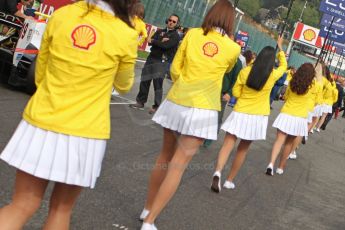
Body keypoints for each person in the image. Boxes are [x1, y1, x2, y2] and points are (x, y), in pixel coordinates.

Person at [0, 0, 138, 229]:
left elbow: (40, 74)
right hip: (86, 130)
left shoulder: (63, 15)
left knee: (22, 204)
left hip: (42, 120)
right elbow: (124, 85)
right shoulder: (125, 33)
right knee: (60, 210)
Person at [139, 1, 241, 229]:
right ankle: (149, 221)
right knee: (178, 166)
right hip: (204, 108)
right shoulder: (233, 48)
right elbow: (224, 70)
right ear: (230, 21)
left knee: (164, 156)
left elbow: (175, 69)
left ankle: (146, 208)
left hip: (178, 99)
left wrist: (185, 83)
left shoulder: (193, 34)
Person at [211, 36, 287, 192]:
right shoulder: (272, 75)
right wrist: (280, 48)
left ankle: (218, 172)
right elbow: (284, 65)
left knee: (227, 145)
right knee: (242, 150)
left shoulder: (245, 72)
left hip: (240, 112)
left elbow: (236, 92)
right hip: (257, 116)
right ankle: (229, 180)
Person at [266, 63, 316, 175]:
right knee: (288, 144)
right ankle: (281, 167)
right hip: (299, 118)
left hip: (286, 114)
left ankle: (271, 164)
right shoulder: (311, 86)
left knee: (279, 141)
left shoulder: (292, 82)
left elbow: (286, 97)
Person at [130, 14, 180, 114]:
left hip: (162, 61)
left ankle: (156, 106)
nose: (171, 22)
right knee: (145, 80)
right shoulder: (159, 31)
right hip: (151, 58)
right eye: (170, 20)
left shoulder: (175, 36)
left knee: (157, 84)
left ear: (177, 24)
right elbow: (149, 42)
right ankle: (140, 102)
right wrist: (159, 41)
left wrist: (156, 41)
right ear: (167, 20)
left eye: (174, 21)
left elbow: (166, 46)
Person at [314, 66, 338, 132]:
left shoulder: (327, 85)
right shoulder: (335, 90)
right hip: (329, 104)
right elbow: (335, 99)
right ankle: (318, 128)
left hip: (323, 101)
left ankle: (313, 126)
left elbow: (323, 93)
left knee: (318, 114)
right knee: (324, 117)